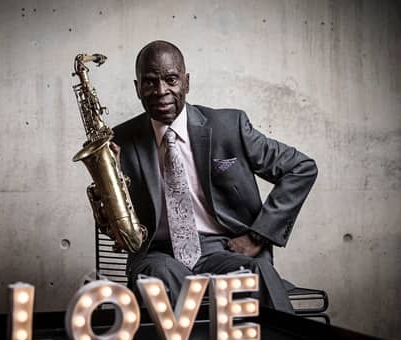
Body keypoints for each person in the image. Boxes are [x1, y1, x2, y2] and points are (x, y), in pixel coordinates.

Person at [112, 40, 317, 314]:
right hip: (159, 253)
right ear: (137, 88)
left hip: (223, 249)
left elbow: (301, 168)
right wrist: (109, 188)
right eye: (149, 82)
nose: (161, 91)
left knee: (257, 274)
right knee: (156, 278)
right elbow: (116, 225)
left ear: (186, 82)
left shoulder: (229, 127)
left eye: (170, 79)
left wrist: (257, 237)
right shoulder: (120, 140)